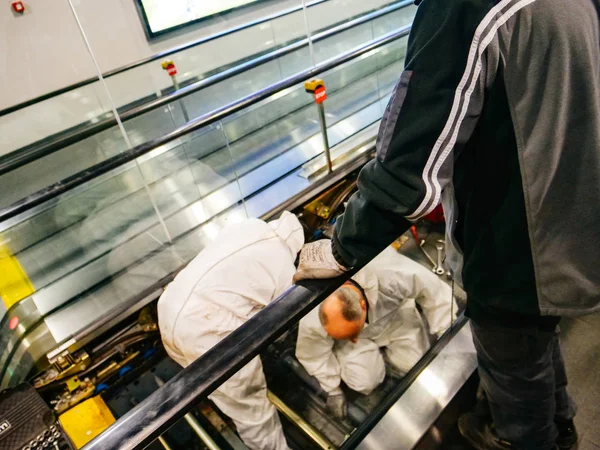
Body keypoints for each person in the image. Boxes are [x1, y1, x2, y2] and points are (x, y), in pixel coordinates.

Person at [293, 1, 600, 449]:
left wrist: (342, 246)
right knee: (535, 337)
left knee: (514, 367)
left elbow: (410, 167)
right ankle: (562, 424)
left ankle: (527, 439)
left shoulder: (463, 6)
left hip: (519, 242)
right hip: (569, 216)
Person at [158, 211, 304, 450]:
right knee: (250, 406)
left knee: (210, 381)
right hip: (208, 330)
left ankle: (224, 400)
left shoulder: (249, 226)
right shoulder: (285, 268)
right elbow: (280, 325)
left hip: (168, 309)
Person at [296, 247, 456, 420]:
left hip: (395, 316)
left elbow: (434, 291)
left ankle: (391, 360)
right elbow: (312, 352)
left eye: (353, 332)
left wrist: (447, 333)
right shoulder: (313, 315)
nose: (354, 338)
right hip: (360, 338)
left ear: (363, 305)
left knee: (415, 365)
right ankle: (363, 350)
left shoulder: (390, 273)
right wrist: (332, 389)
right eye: (347, 334)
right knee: (365, 382)